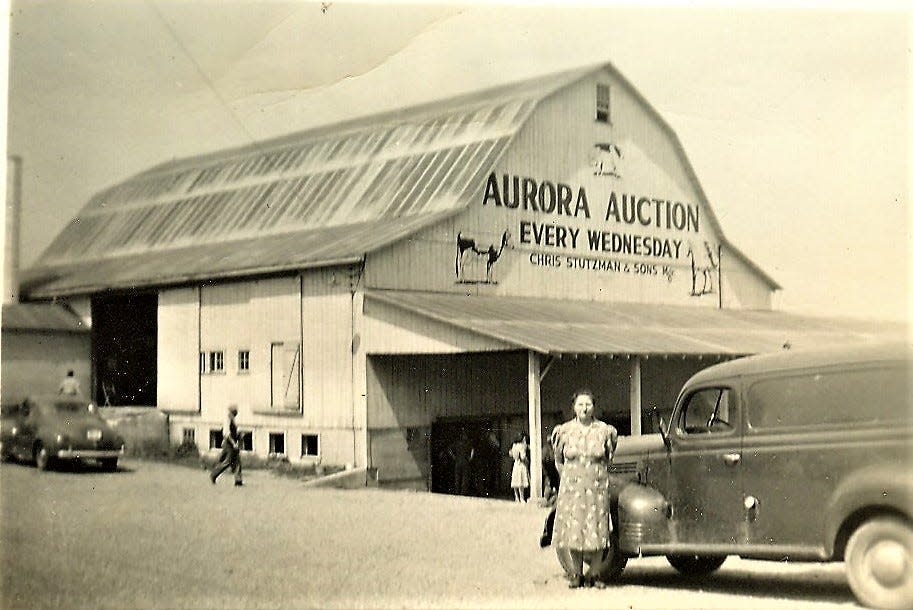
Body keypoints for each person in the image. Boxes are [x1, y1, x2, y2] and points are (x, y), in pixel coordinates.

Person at [551, 389, 618, 589]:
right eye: (580, 404)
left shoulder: (605, 430)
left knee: (598, 529)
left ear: (594, 406)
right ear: (573, 407)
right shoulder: (564, 431)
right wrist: (570, 478)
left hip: (597, 487)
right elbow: (557, 461)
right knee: (575, 529)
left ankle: (595, 574)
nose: (584, 408)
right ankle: (577, 574)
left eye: (588, 404)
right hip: (572, 489)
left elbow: (610, 457)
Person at [210, 406, 243, 486]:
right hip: (228, 444)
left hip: (232, 444)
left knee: (237, 462)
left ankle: (238, 480)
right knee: (228, 462)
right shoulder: (227, 421)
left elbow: (235, 432)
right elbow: (226, 434)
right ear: (231, 413)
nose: (235, 415)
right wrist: (233, 443)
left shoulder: (233, 421)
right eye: (234, 413)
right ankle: (214, 475)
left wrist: (239, 436)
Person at [448, 428, 475, 496]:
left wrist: (453, 457)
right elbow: (472, 450)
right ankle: (463, 493)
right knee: (465, 478)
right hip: (465, 461)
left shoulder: (457, 443)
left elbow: (449, 450)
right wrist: (471, 457)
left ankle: (457, 492)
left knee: (457, 477)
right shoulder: (468, 442)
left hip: (458, 461)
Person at [509, 433, 530, 503]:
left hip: (515, 464)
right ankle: (522, 498)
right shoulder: (521, 446)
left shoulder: (514, 445)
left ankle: (516, 497)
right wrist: (527, 460)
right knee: (521, 482)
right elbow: (523, 457)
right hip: (521, 464)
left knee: (515, 481)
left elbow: (511, 454)